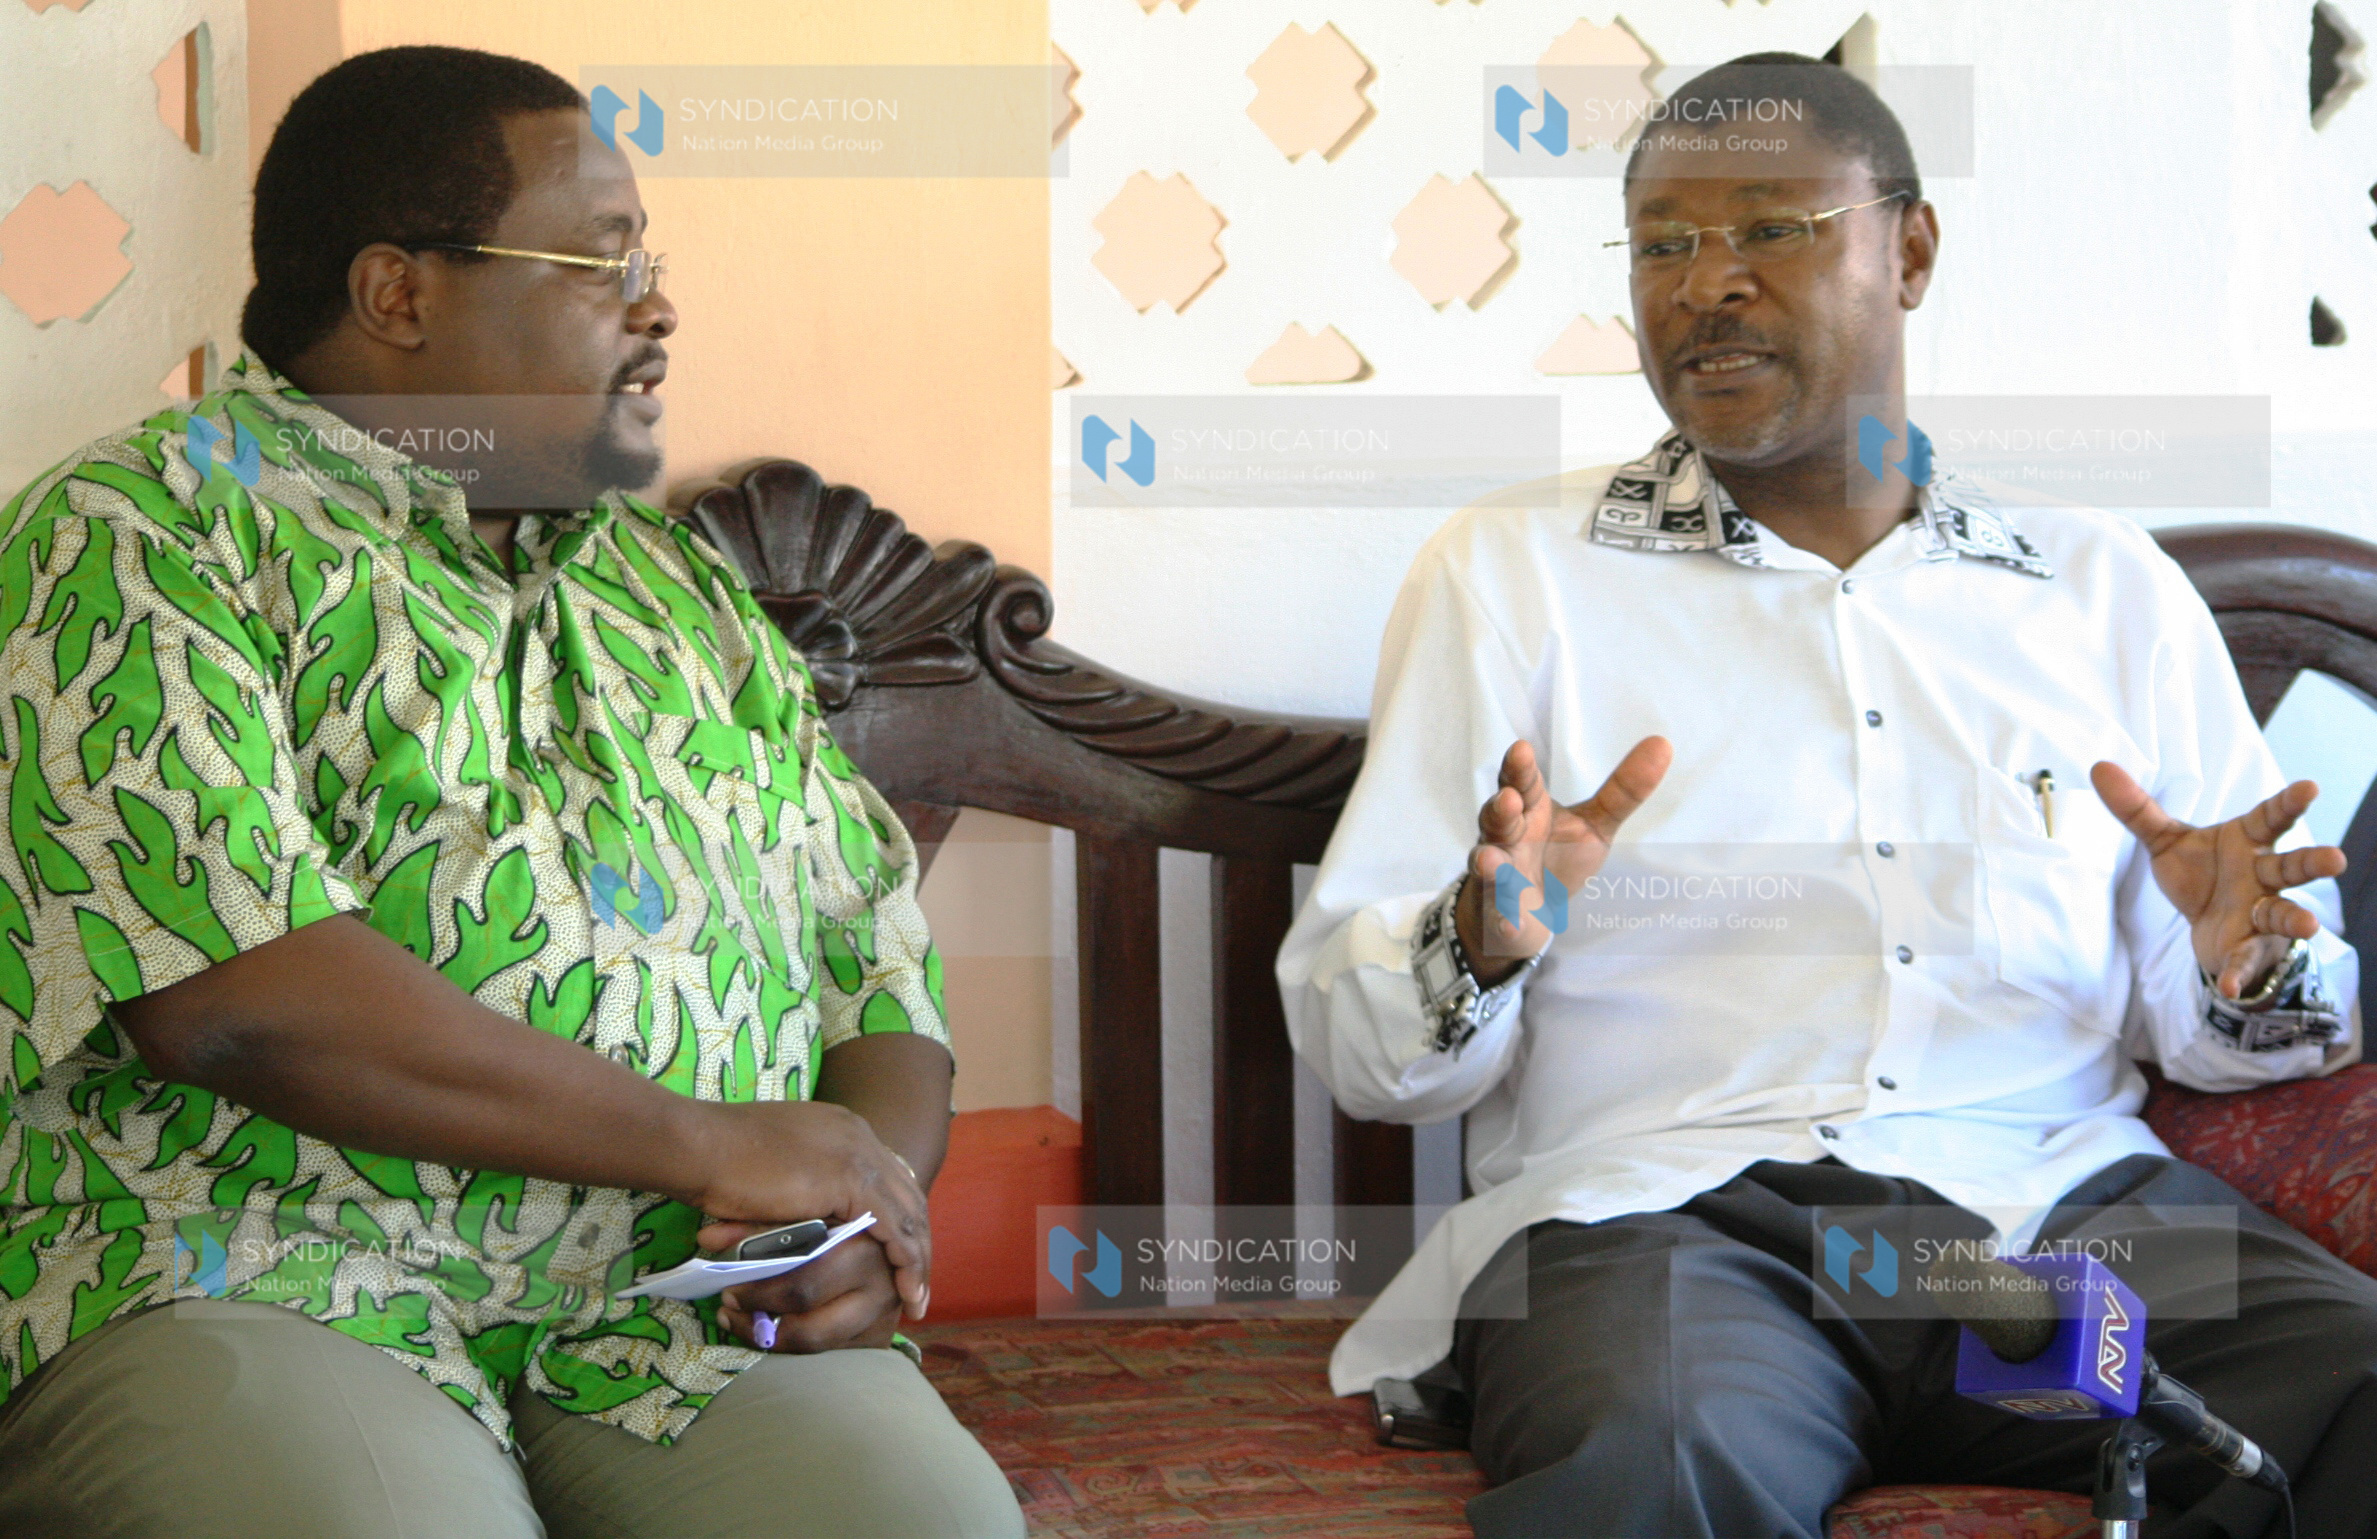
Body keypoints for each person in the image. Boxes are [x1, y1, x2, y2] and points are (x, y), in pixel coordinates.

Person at [1278, 52, 2377, 1539]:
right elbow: (1369, 1056)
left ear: (1906, 250)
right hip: (1671, 1230)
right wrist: (1476, 944)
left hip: (2061, 1218)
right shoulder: (1512, 574)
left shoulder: (2098, 589)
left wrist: (2238, 959)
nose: (1705, 285)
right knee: (1661, 1455)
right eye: (1662, 246)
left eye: (1768, 231)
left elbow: (2242, 1042)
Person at [0, 45, 1022, 1539]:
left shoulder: (677, 593)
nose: (658, 303)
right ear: (398, 295)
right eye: (602, 259)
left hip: (665, 1302)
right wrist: (713, 1138)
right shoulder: (143, 533)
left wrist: (855, 1203)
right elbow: (230, 993)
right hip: (256, 1270)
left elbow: (871, 965)